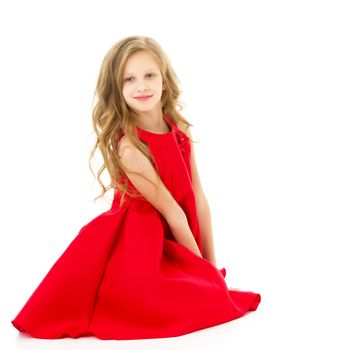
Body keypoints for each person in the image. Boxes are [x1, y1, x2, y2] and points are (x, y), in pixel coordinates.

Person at [11, 35, 261, 340]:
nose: (141, 86)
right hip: (143, 242)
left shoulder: (179, 128)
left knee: (210, 297)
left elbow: (199, 199)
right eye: (129, 79)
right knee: (178, 306)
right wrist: (209, 280)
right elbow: (171, 212)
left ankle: (202, 279)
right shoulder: (130, 147)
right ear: (117, 90)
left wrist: (212, 270)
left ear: (164, 81)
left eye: (149, 75)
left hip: (179, 233)